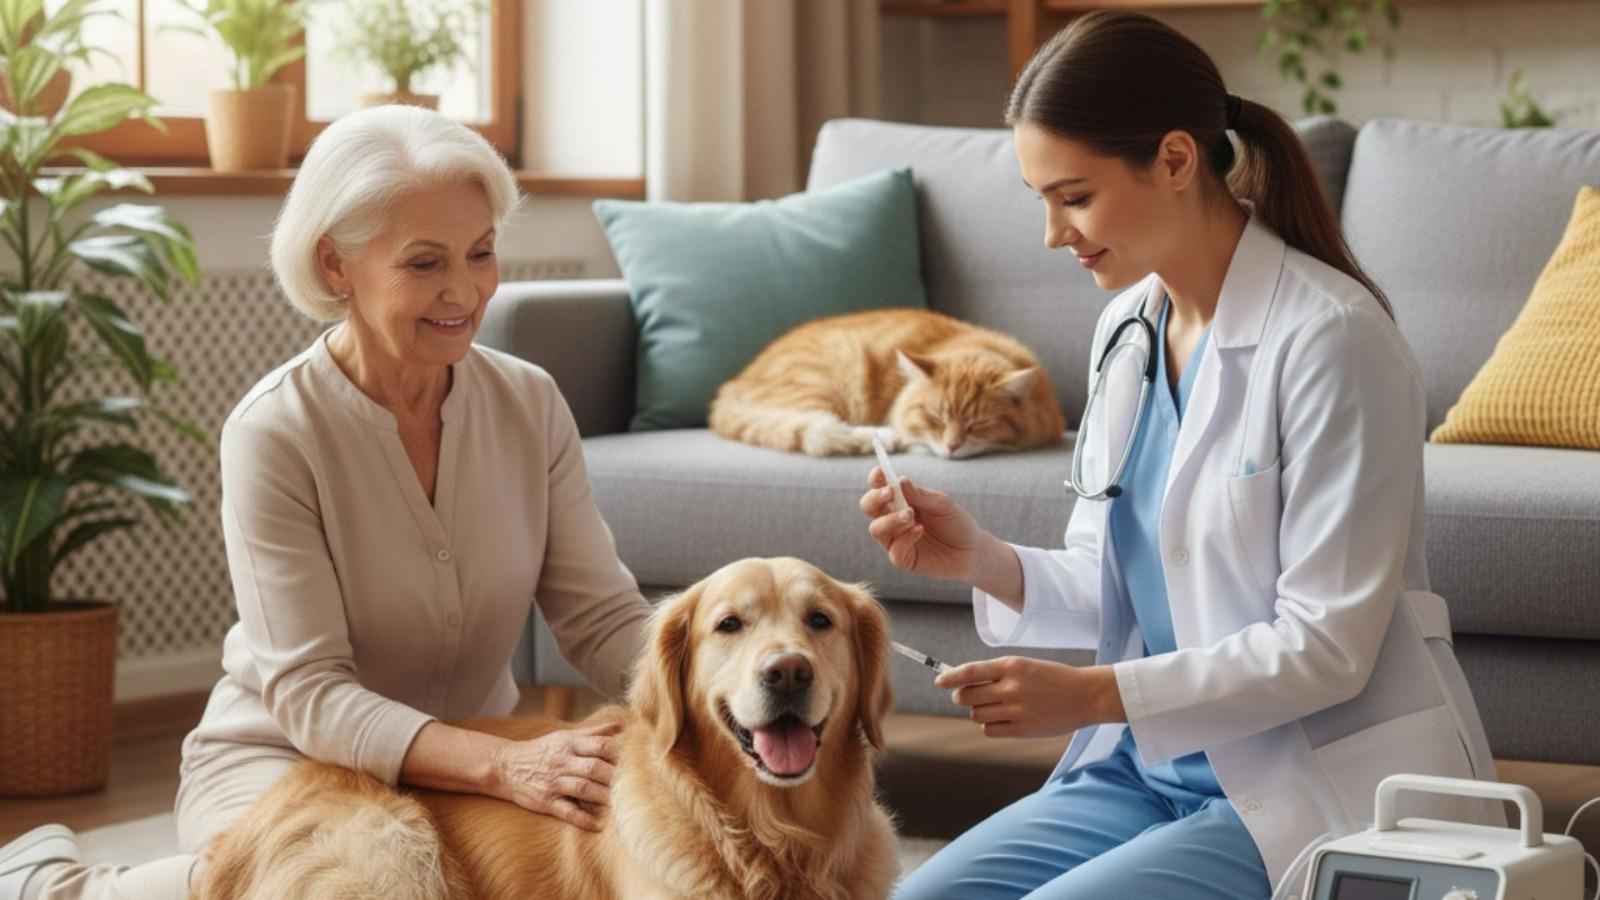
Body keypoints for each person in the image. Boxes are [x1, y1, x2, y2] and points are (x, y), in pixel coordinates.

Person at [861, 12, 1500, 900]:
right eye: (1040, 199)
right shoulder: (1126, 329)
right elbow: (1127, 578)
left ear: (1173, 160)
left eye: (1073, 197)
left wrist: (1091, 696)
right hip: (1144, 767)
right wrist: (985, 560)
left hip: (1300, 779)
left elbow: (1325, 648)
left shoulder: (1333, 340)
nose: (1052, 233)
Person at [0, 104, 651, 900]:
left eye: (481, 253)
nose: (465, 290)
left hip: (470, 768)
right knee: (346, 885)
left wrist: (725, 681)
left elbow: (600, 616)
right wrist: (506, 764)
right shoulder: (273, 431)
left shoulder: (531, 402)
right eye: (425, 263)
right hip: (289, 757)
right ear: (335, 265)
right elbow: (311, 693)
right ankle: (53, 887)